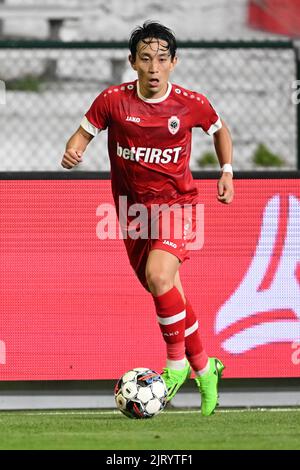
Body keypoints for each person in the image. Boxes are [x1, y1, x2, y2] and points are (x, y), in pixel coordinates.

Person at [61, 21, 234, 416]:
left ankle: (175, 366)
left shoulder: (191, 104)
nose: (153, 67)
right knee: (166, 290)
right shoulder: (113, 101)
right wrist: (72, 150)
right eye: (145, 59)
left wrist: (227, 171)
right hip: (133, 214)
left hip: (178, 206)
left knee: (160, 276)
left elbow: (219, 130)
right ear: (132, 63)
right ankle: (207, 369)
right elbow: (82, 134)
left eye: (161, 59)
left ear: (174, 62)